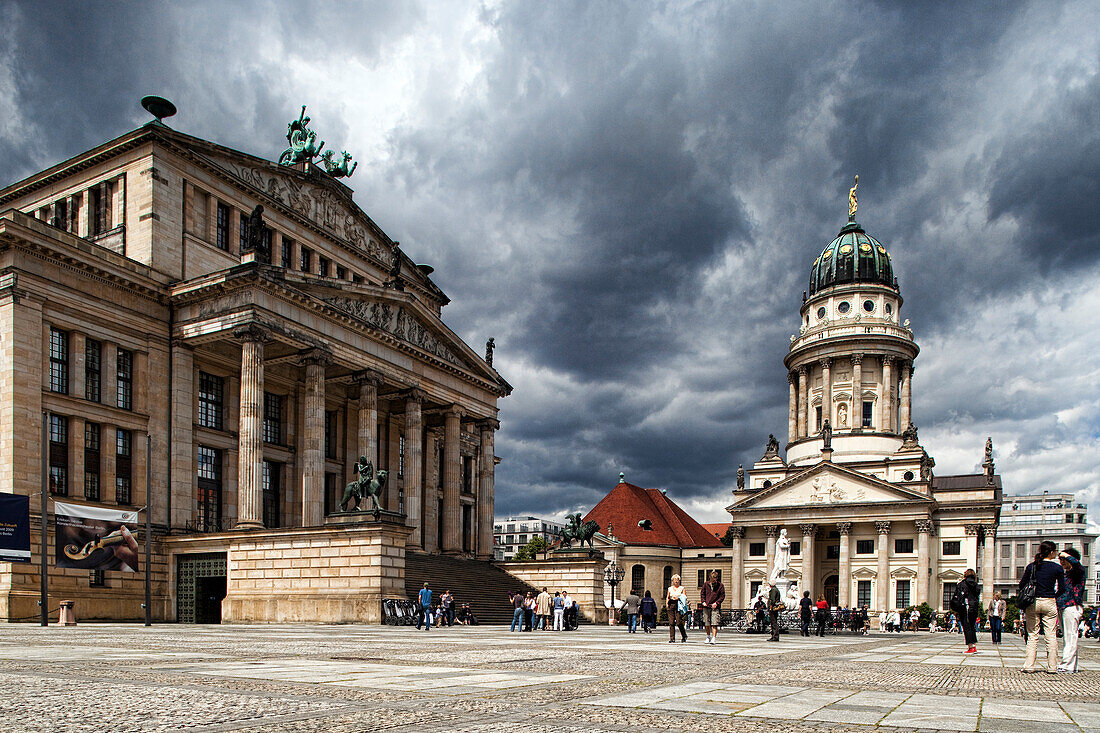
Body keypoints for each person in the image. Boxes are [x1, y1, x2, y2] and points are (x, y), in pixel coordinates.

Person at [1020, 540, 1066, 673]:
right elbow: (1062, 588)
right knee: (1050, 635)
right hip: (1049, 601)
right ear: (1052, 552)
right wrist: (1054, 596)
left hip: (1033, 602)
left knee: (1032, 635)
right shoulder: (1057, 568)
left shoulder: (1032, 566)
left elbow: (1022, 584)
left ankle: (1029, 666)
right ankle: (1052, 667)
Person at [1057, 548, 1085, 673]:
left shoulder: (1078, 572)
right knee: (1068, 637)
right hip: (1063, 606)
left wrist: (1065, 555)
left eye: (1063, 560)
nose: (1061, 562)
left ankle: (1066, 664)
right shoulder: (1066, 574)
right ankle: (1072, 665)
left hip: (1072, 606)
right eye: (1060, 560)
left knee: (1070, 637)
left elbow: (1077, 564)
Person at [953, 569, 981, 654]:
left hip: (965, 607)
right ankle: (974, 645)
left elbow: (957, 596)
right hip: (974, 608)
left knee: (966, 627)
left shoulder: (962, 584)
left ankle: (970, 646)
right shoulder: (976, 585)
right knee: (972, 626)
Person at [700, 570, 726, 645]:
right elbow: (702, 594)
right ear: (710, 578)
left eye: (715, 579)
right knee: (706, 622)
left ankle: (714, 637)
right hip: (706, 606)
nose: (714, 581)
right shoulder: (706, 584)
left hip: (715, 607)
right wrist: (703, 601)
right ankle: (708, 636)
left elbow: (722, 596)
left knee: (714, 622)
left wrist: (717, 603)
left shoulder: (720, 585)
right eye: (712, 579)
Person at [666, 574, 688, 643]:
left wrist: (679, 598)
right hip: (671, 604)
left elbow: (684, 597)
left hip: (679, 605)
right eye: (675, 579)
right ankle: (672, 638)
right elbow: (668, 596)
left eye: (677, 579)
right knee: (671, 622)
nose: (676, 581)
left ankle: (684, 635)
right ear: (672, 581)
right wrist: (667, 603)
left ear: (679, 580)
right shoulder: (670, 588)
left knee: (678, 622)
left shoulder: (682, 588)